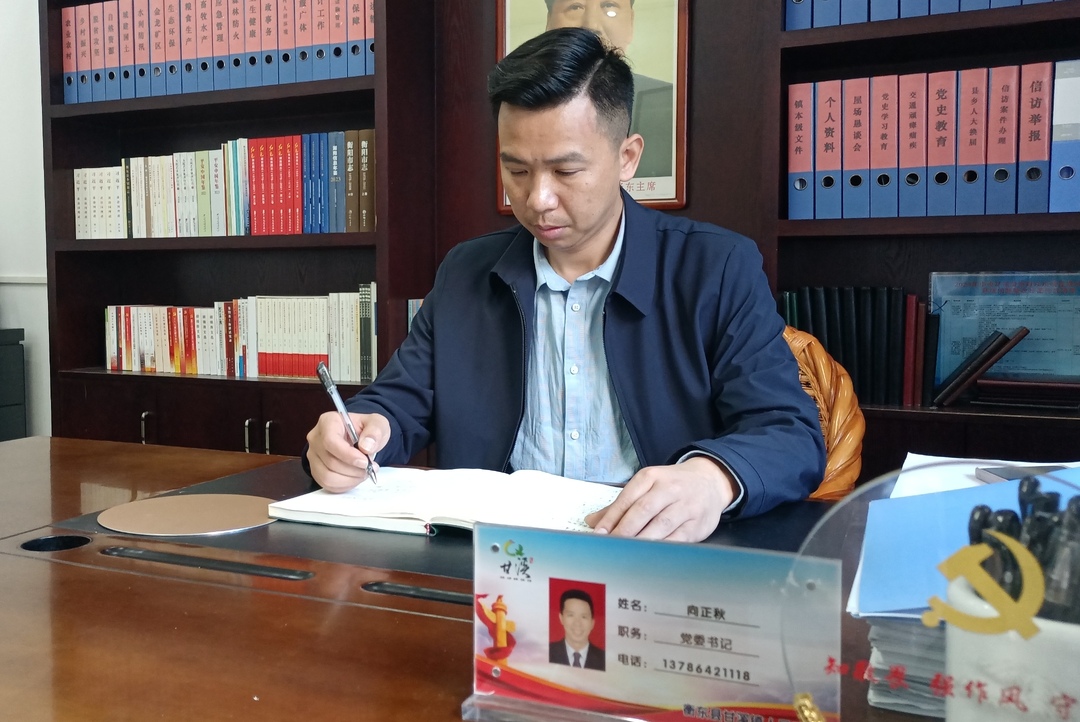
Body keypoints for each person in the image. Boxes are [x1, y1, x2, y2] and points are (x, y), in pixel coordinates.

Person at [304, 27, 825, 543]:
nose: (538, 199)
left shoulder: (715, 267)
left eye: (566, 171)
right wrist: (360, 432)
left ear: (627, 157)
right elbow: (400, 401)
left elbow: (789, 432)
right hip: (495, 556)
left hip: (650, 552)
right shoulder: (467, 272)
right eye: (517, 171)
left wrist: (711, 478)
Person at [542, 0, 673, 179]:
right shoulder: (513, 104)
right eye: (575, 7)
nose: (591, 25)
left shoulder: (667, 103)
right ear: (549, 22)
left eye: (609, 6)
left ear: (630, 22)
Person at [549, 589, 605, 670]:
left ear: (592, 623)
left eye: (584, 617)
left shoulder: (603, 659)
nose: (577, 623)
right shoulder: (547, 651)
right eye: (571, 615)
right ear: (561, 618)